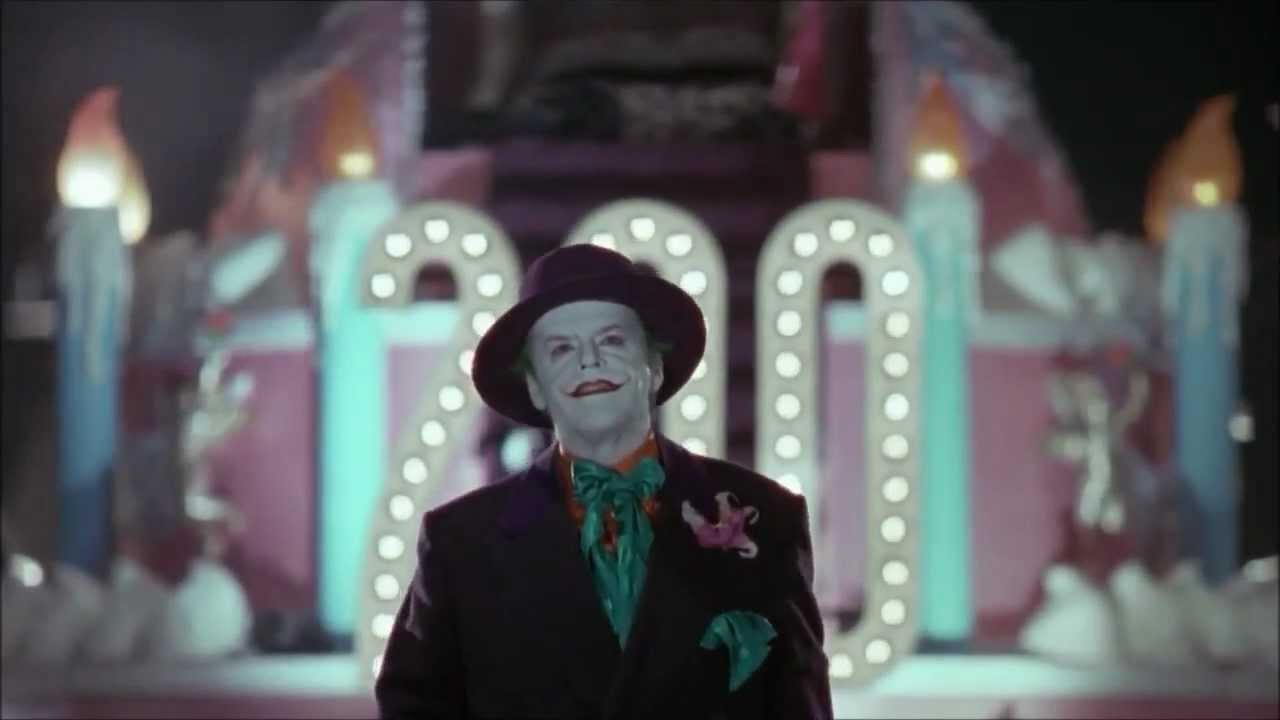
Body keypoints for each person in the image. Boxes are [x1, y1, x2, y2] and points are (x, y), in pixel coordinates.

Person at [376, 244, 832, 719]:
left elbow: (799, 704)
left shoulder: (768, 519)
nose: (589, 361)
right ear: (535, 387)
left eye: (612, 340)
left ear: (655, 368)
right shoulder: (460, 542)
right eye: (561, 349)